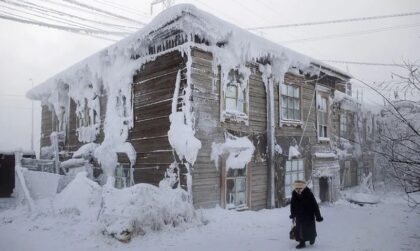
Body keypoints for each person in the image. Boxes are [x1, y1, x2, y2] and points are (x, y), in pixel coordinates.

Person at [289, 180, 323, 249]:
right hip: (299, 215)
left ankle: (312, 237)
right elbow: (292, 205)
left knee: (310, 229)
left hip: (309, 215)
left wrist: (318, 216)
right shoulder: (294, 194)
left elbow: (315, 205)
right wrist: (293, 214)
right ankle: (302, 242)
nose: (298, 190)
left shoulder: (308, 193)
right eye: (296, 189)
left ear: (303, 188)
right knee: (300, 229)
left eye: (300, 189)